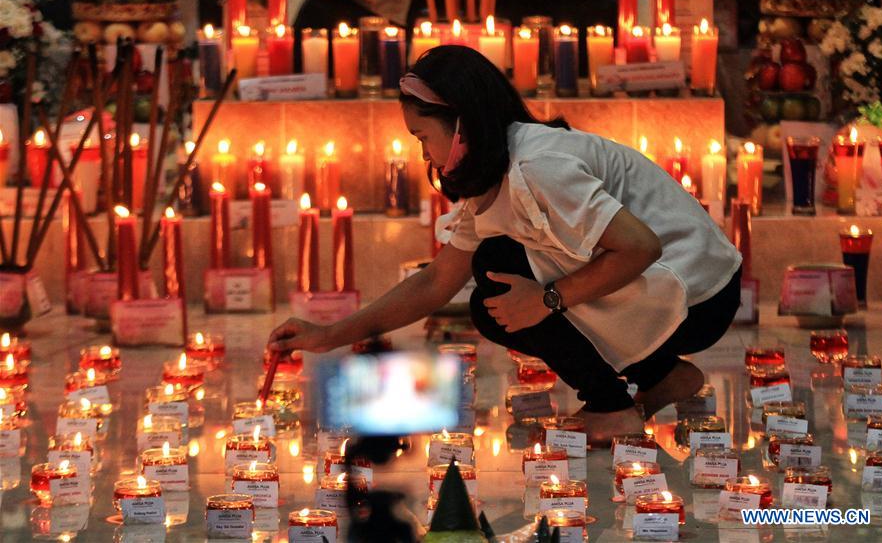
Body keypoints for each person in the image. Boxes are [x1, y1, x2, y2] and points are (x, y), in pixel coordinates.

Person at [269, 45, 742, 444]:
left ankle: (611, 409)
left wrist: (547, 299)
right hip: (669, 292)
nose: (423, 154)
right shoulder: (496, 171)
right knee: (491, 285)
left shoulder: (539, 166)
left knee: (497, 270)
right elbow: (436, 283)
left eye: (423, 137)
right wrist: (327, 335)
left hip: (700, 294)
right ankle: (663, 376)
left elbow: (641, 248)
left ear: (460, 125)